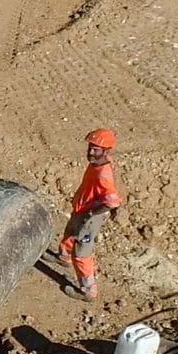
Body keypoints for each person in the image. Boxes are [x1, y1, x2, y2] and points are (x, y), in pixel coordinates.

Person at [61, 129, 122, 301]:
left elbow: (112, 202)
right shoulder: (99, 162)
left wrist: (91, 213)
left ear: (106, 151)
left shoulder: (103, 175)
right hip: (82, 210)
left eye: (96, 150)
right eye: (90, 147)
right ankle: (63, 256)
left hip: (90, 218)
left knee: (81, 254)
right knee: (70, 232)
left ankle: (88, 290)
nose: (90, 152)